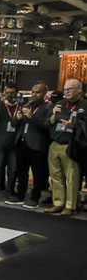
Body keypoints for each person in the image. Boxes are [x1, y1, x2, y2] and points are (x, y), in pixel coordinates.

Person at [45, 78, 87, 216]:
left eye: (70, 89)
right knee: (56, 176)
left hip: (72, 145)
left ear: (79, 90)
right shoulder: (60, 104)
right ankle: (58, 203)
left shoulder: (84, 105)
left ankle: (70, 205)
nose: (67, 92)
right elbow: (47, 122)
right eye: (65, 89)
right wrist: (53, 115)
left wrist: (74, 125)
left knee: (72, 177)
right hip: (55, 143)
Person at [11, 83, 52, 208]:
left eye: (37, 92)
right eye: (32, 92)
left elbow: (47, 126)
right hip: (22, 142)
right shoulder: (26, 105)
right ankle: (20, 195)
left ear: (45, 94)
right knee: (21, 172)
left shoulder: (48, 107)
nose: (34, 94)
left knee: (37, 173)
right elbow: (14, 125)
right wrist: (17, 119)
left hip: (37, 145)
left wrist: (31, 117)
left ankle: (35, 197)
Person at [0, 84, 21, 201]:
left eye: (12, 93)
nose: (9, 95)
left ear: (16, 93)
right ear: (4, 92)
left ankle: (9, 191)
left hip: (14, 143)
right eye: (7, 92)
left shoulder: (20, 107)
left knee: (13, 169)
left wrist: (19, 119)